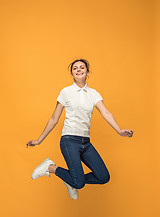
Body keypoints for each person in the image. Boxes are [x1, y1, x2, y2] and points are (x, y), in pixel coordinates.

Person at [26, 58, 134, 200]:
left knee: (103, 176)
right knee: (79, 183)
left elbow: (106, 113)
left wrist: (119, 131)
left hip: (86, 143)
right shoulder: (66, 92)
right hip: (69, 140)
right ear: (72, 74)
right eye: (75, 68)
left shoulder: (93, 93)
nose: (78, 70)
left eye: (82, 67)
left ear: (87, 71)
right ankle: (50, 167)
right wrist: (39, 140)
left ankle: (70, 179)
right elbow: (54, 119)